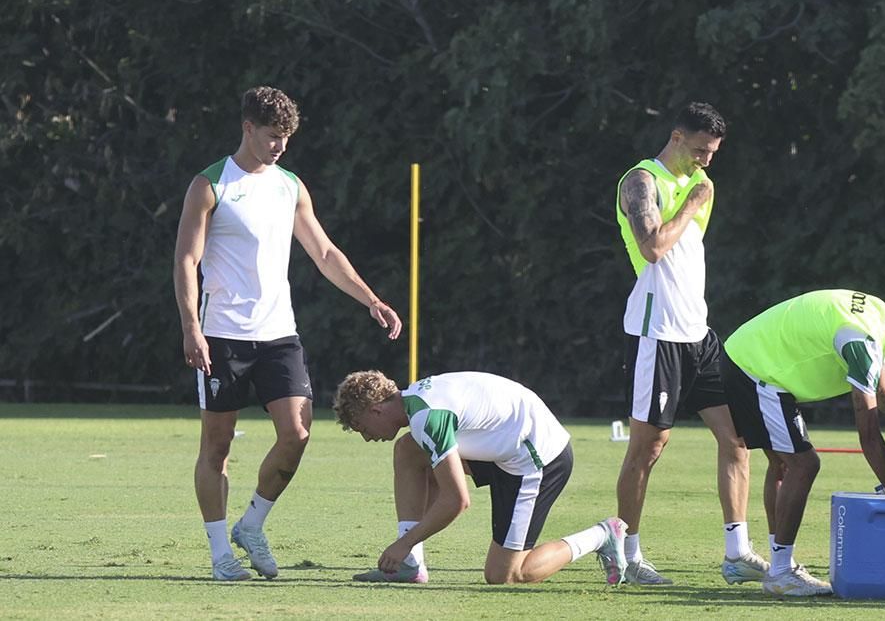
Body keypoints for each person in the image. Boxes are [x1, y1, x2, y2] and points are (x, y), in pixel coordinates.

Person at [173, 86, 403, 581]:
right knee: (217, 447)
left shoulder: (290, 186)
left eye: (286, 138)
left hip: (279, 334)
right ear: (248, 128)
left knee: (297, 432)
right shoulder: (210, 185)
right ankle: (220, 553)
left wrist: (371, 299)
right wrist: (192, 327)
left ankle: (252, 524)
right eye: (272, 136)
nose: (280, 146)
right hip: (223, 336)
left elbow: (325, 253)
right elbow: (187, 261)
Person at [613, 102, 767, 586]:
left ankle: (737, 553)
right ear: (677, 137)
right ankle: (627, 556)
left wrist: (698, 195)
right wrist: (692, 203)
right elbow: (653, 247)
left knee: (737, 439)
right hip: (656, 334)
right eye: (701, 150)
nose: (707, 160)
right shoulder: (641, 180)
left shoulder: (704, 183)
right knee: (648, 447)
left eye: (713, 153)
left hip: (699, 335)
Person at [721, 289, 885, 597]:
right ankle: (781, 572)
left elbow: (882, 395)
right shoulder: (863, 344)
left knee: (783, 464)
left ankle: (779, 565)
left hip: (748, 354)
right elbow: (869, 436)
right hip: (756, 369)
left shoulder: (880, 315)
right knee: (803, 465)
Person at [332, 370, 627, 585]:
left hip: (539, 460)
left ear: (376, 410)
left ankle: (602, 535)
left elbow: (456, 501)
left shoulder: (427, 418)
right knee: (408, 450)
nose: (367, 438)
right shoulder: (416, 398)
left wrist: (404, 543)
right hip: (508, 448)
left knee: (506, 574)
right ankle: (410, 566)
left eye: (362, 428)